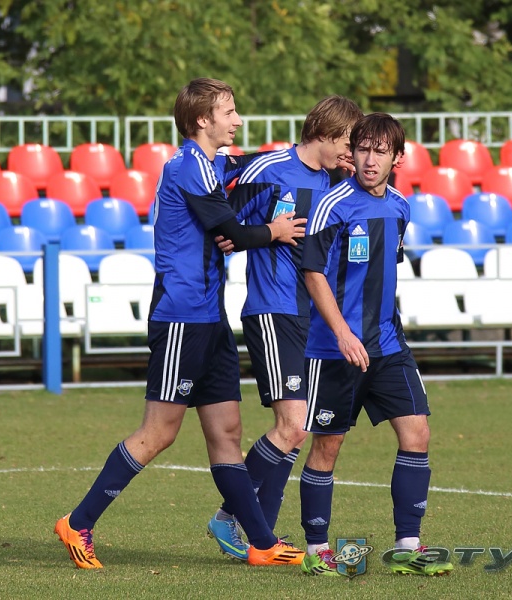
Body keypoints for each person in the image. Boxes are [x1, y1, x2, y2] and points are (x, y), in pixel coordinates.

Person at [54, 78, 306, 569]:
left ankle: (261, 544)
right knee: (159, 432)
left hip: (211, 319)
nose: (238, 121)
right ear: (202, 120)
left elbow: (249, 172)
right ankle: (78, 522)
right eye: (229, 112)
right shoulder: (187, 166)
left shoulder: (213, 165)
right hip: (181, 319)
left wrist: (306, 155)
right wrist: (273, 231)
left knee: (227, 432)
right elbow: (231, 231)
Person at [206, 96, 364, 561]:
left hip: (314, 317)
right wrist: (257, 235)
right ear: (328, 133)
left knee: (297, 429)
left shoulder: (336, 182)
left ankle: (263, 535)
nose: (351, 153)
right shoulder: (268, 169)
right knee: (293, 427)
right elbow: (221, 225)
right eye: (348, 143)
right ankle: (230, 517)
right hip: (274, 310)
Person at [297, 112, 453, 576]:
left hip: (387, 345)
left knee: (417, 433)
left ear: (396, 158)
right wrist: (342, 333)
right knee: (327, 447)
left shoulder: (401, 207)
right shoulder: (333, 204)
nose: (369, 160)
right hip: (334, 350)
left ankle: (407, 545)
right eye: (363, 149)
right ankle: (316, 549)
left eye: (380, 152)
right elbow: (312, 272)